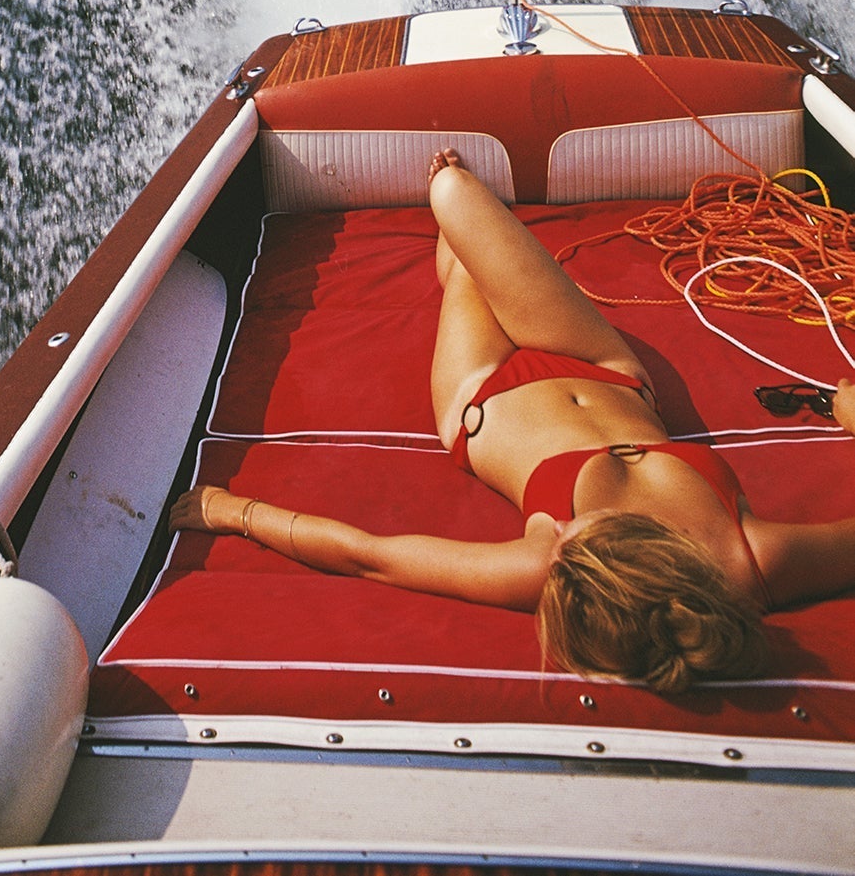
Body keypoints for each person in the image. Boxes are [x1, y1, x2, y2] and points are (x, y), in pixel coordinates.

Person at [172, 150, 855, 696]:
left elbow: (368, 555)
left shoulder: (542, 564)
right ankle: (463, 229)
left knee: (455, 216)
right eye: (571, 539)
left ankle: (457, 248)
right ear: (640, 560)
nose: (556, 532)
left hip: (482, 393)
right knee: (453, 191)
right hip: (602, 364)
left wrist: (233, 511)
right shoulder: (754, 559)